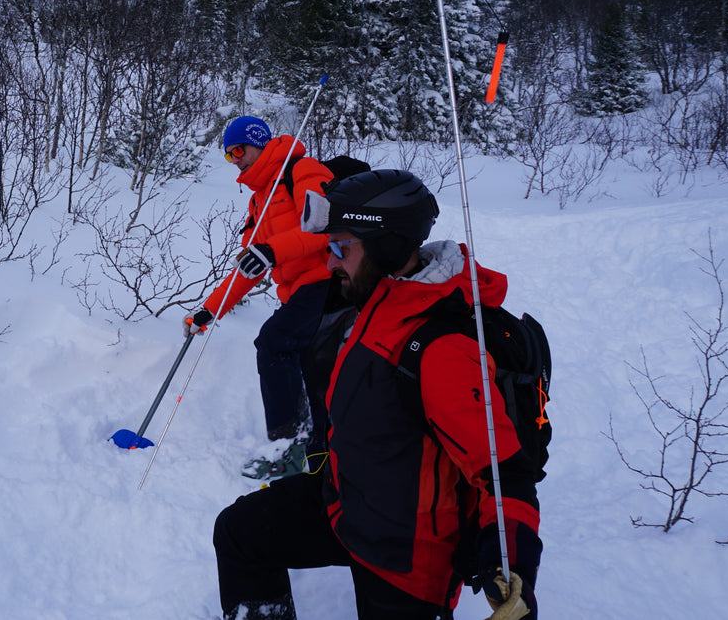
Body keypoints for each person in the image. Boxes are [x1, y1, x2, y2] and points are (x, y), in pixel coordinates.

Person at [212, 169, 541, 619]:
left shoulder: (442, 349)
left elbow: (505, 474)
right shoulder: (377, 299)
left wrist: (514, 568)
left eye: (340, 248)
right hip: (345, 506)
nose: (329, 263)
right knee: (240, 532)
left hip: (403, 560)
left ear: (387, 249)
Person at [186, 115, 336, 476]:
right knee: (305, 362)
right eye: (228, 155)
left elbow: (325, 227)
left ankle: (289, 446)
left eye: (238, 150)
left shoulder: (301, 171)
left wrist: (271, 250)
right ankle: (317, 444)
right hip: (298, 292)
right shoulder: (259, 202)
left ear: (258, 143)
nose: (234, 159)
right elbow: (249, 267)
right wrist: (209, 311)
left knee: (274, 341)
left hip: (330, 280)